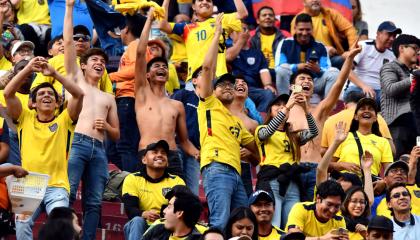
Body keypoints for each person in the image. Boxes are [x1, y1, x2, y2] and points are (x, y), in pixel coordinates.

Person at [4, 56, 84, 240]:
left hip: (57, 186)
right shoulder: (24, 118)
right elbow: (8, 93)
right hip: (28, 183)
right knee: (22, 225)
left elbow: (79, 95)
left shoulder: (64, 121)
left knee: (63, 225)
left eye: (51, 94)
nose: (46, 95)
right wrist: (28, 69)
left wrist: (54, 73)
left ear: (57, 104)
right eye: (41, 94)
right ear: (32, 103)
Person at [195, 13, 259, 229]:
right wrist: (216, 35)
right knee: (220, 221)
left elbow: (257, 153)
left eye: (232, 85)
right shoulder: (208, 103)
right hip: (216, 168)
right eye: (223, 85)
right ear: (213, 89)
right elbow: (206, 68)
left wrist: (251, 154)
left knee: (243, 223)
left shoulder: (239, 122)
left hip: (236, 173)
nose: (229, 87)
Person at [63, 1, 120, 239]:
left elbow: (116, 134)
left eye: (103, 62)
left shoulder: (109, 96)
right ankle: (62, 235)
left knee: (94, 202)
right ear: (83, 64)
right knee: (66, 194)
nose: (99, 63)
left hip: (99, 149)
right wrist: (68, 8)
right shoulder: (75, 78)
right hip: (77, 142)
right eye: (94, 60)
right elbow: (67, 43)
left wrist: (106, 126)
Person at [284, 43, 361, 202]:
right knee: (293, 214)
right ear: (292, 87)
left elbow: (339, 83)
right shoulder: (283, 113)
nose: (307, 81)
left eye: (310, 80)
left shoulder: (319, 110)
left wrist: (350, 58)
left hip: (316, 169)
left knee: (317, 211)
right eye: (302, 78)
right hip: (292, 169)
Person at [134, 8, 199, 179]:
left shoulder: (177, 105)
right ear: (147, 74)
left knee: (177, 201)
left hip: (172, 156)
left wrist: (199, 154)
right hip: (146, 153)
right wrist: (149, 20)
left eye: (164, 66)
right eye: (156, 66)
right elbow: (140, 53)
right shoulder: (142, 94)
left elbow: (184, 142)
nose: (162, 67)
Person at [254, 92, 318, 228]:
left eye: (284, 105)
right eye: (277, 105)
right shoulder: (262, 129)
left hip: (293, 184)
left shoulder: (294, 136)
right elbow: (268, 132)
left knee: (292, 227)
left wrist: (306, 109)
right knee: (274, 226)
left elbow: (314, 132)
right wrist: (287, 107)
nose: (281, 107)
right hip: (272, 181)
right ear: (269, 111)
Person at [159, 0, 248, 80]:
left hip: (219, 77)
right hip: (195, 79)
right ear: (193, 6)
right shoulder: (186, 27)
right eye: (200, 0)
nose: (205, 2)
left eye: (209, 1)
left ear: (213, 7)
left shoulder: (221, 20)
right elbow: (162, 25)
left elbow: (243, 13)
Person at [122, 140, 185, 240]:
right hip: (141, 226)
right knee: (137, 221)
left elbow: (181, 209)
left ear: (167, 162)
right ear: (144, 160)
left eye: (163, 153)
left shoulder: (177, 181)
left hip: (166, 227)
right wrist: (144, 214)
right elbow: (130, 209)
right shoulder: (132, 179)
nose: (160, 155)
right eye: (155, 152)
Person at [108, 13, 145, 172]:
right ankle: (138, 177)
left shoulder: (135, 45)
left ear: (127, 29)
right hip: (124, 100)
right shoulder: (134, 46)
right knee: (112, 149)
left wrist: (109, 76)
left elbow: (136, 69)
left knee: (124, 146)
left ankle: (134, 183)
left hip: (129, 99)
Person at [275, 13, 339, 100]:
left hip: (312, 86)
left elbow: (327, 68)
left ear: (312, 29)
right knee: (282, 70)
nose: (304, 33)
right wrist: (296, 67)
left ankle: (327, 107)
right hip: (292, 86)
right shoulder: (285, 43)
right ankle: (285, 102)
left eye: (308, 29)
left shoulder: (320, 46)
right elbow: (278, 67)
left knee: (334, 72)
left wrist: (318, 70)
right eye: (301, 29)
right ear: (295, 29)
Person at [331, 98, 393, 178]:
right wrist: (342, 165)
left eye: (370, 109)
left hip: (370, 186)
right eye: (362, 109)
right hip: (345, 184)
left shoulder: (383, 142)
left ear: (375, 118)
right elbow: (327, 165)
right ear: (356, 117)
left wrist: (383, 183)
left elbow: (389, 171)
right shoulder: (344, 137)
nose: (366, 111)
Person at [380, 34, 420, 159]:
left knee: (414, 168)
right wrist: (414, 77)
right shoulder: (389, 67)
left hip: (414, 125)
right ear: (402, 48)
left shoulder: (413, 72)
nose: (417, 53)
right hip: (397, 125)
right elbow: (390, 89)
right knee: (398, 166)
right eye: (415, 48)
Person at [320, 91, 394, 157]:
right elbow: (391, 151)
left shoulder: (330, 120)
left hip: (335, 168)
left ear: (344, 105)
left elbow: (323, 152)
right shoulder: (376, 117)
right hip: (371, 168)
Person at [344, 21, 400, 105]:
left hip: (379, 92)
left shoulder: (393, 54)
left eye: (394, 36)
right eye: (389, 34)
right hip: (357, 88)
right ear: (378, 33)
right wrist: (364, 86)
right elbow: (347, 71)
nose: (392, 38)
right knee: (365, 98)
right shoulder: (363, 46)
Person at [291, 0, 358, 69]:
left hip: (332, 57)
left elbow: (350, 30)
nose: (315, 0)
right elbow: (298, 46)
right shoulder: (297, 20)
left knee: (348, 60)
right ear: (304, 2)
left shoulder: (330, 13)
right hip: (309, 60)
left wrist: (351, 52)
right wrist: (324, 49)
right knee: (342, 62)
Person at [317, 121, 374, 195]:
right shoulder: (327, 196)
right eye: (339, 179)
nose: (337, 181)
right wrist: (336, 142)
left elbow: (368, 200)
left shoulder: (358, 204)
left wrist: (367, 170)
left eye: (341, 180)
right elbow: (321, 170)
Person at [227, 28, 276, 112]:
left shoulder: (257, 53)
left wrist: (267, 84)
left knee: (268, 93)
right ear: (231, 35)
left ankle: (259, 121)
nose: (242, 32)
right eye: (238, 30)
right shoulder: (227, 49)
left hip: (253, 89)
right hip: (234, 87)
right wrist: (241, 41)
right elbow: (228, 57)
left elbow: (264, 71)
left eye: (245, 29)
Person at [229, 77, 259, 197]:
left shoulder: (253, 123)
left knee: (245, 210)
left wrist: (250, 153)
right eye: (236, 82)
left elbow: (257, 159)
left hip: (244, 169)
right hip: (223, 165)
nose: (241, 84)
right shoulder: (220, 113)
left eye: (244, 83)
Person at [249, 6, 285, 79]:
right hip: (258, 71)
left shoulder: (285, 36)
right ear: (258, 20)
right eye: (264, 15)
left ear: (275, 19)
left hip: (281, 70)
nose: (268, 17)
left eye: (270, 15)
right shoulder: (250, 36)